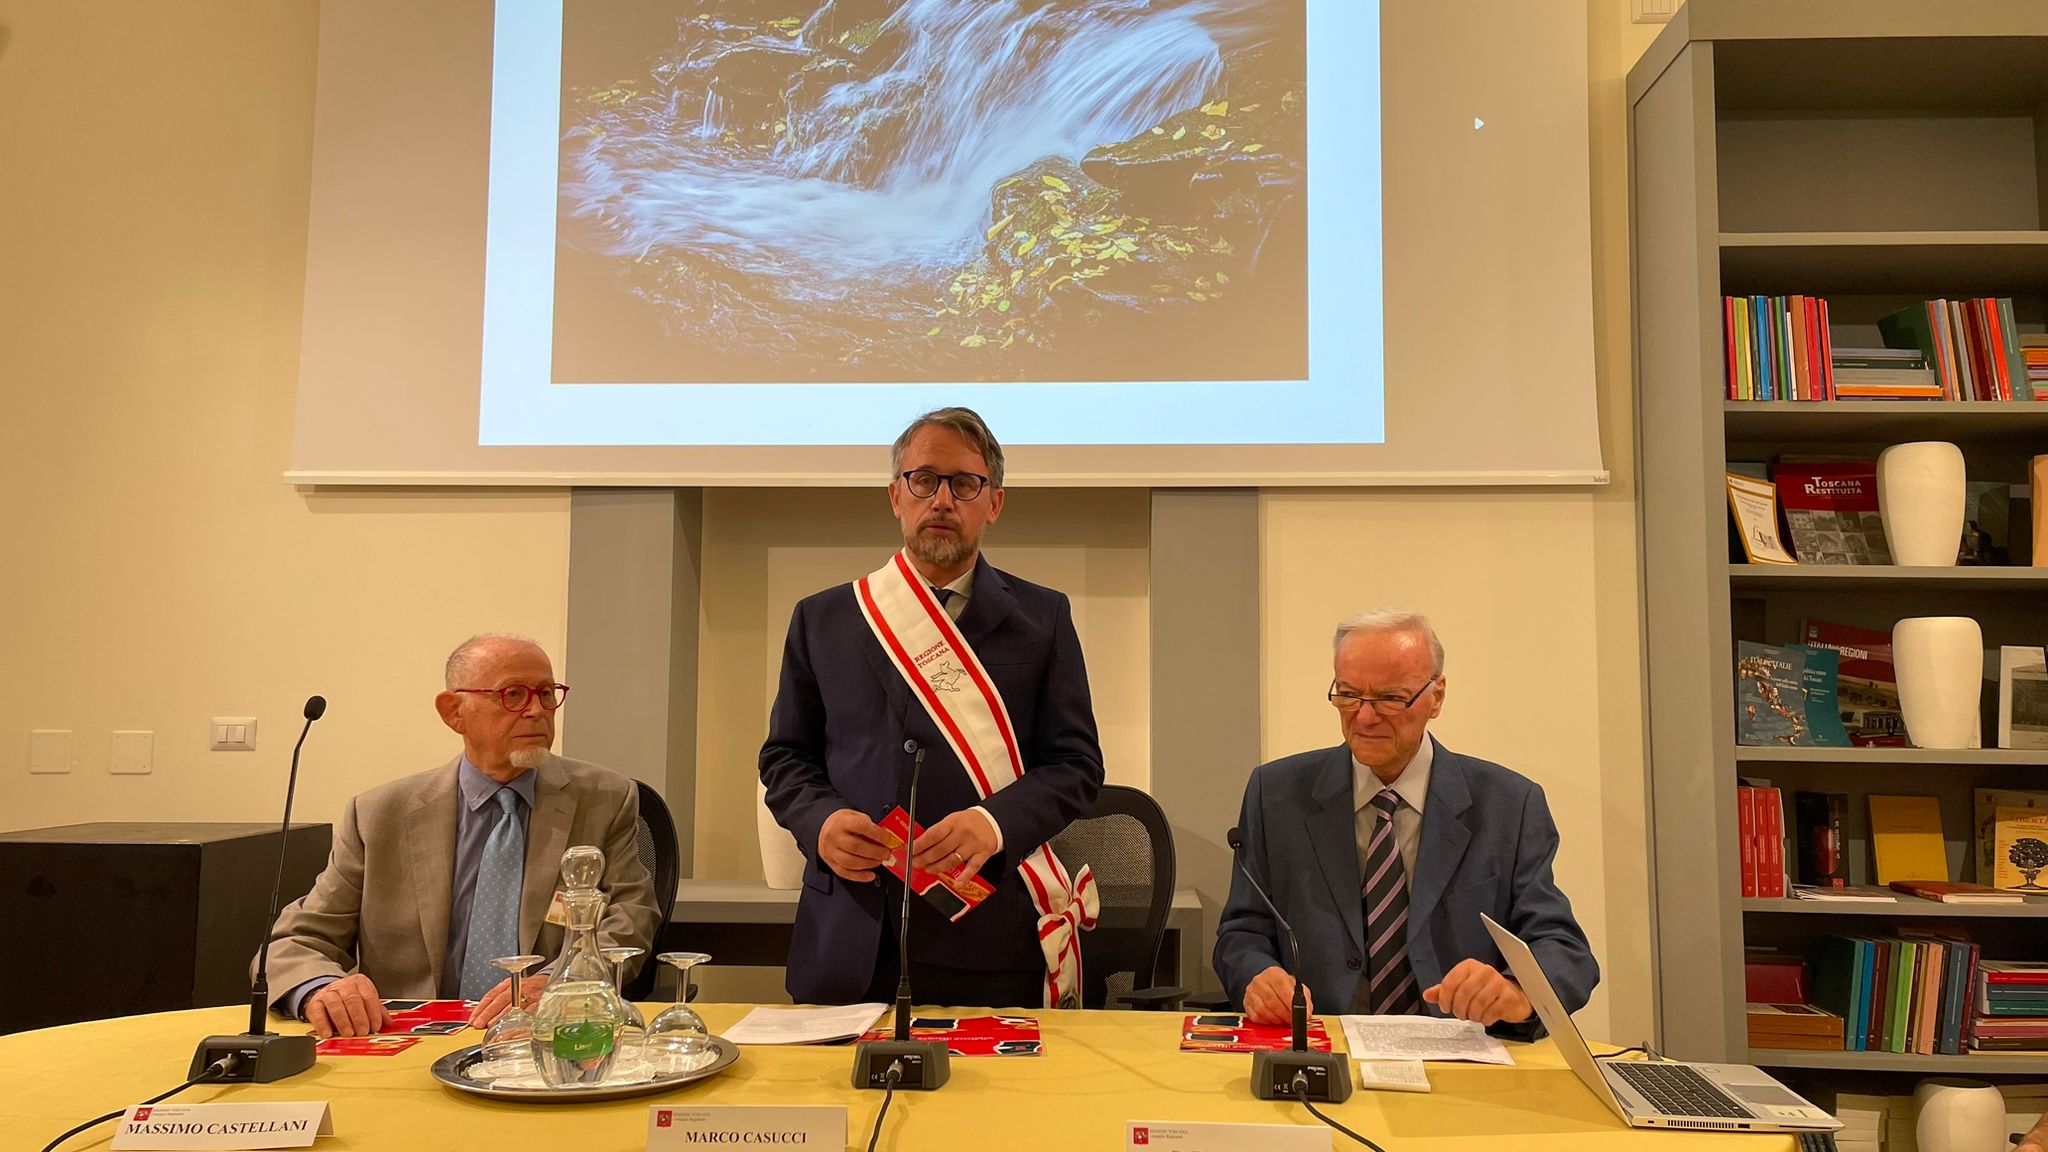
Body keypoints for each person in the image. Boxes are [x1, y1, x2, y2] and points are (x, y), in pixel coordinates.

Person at [760, 407, 1105, 1009]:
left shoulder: (1043, 618)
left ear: (994, 503)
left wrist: (993, 824)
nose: (942, 499)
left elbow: (1075, 765)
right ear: (896, 496)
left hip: (987, 936)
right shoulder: (823, 618)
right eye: (924, 480)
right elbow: (786, 757)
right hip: (849, 932)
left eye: (965, 483)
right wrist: (821, 823)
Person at [1214, 610, 1596, 1039]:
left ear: (1437, 696)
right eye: (1348, 694)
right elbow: (1241, 932)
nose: (1364, 717)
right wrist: (1257, 976)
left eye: (1391, 698)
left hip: (1457, 1053)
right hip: (1319, 1044)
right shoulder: (1276, 795)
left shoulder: (1508, 805)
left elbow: (1565, 950)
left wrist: (1516, 991)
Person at [264, 634, 660, 1038]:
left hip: (541, 1033)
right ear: (454, 712)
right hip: (410, 1034)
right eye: (513, 695)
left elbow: (631, 915)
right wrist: (323, 988)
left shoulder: (603, 798)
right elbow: (299, 940)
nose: (536, 711)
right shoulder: (379, 814)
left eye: (546, 694)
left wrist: (563, 982)